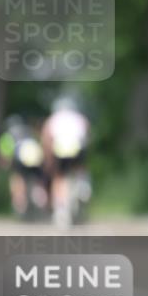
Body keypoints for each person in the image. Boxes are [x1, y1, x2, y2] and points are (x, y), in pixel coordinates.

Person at [41, 96, 91, 227]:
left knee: (59, 177)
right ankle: (82, 185)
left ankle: (61, 208)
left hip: (60, 147)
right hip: (76, 145)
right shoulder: (79, 117)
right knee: (79, 167)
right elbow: (87, 132)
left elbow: (47, 138)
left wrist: (48, 159)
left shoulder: (53, 119)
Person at [0, 115, 49, 220]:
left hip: (20, 157)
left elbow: (5, 157)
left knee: (17, 178)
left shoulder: (8, 136)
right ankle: (42, 199)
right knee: (38, 179)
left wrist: (6, 166)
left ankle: (20, 203)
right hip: (35, 156)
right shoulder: (29, 132)